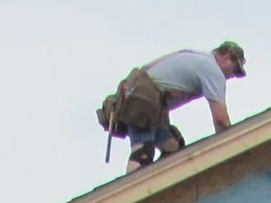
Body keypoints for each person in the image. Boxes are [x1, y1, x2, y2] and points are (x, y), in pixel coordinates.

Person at [101, 42, 247, 171]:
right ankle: (132, 193)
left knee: (173, 147)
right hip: (143, 99)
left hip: (145, 99)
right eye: (235, 69)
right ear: (227, 57)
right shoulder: (212, 69)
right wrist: (233, 150)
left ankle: (159, 188)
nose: (233, 75)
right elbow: (221, 120)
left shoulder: (197, 57)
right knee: (142, 153)